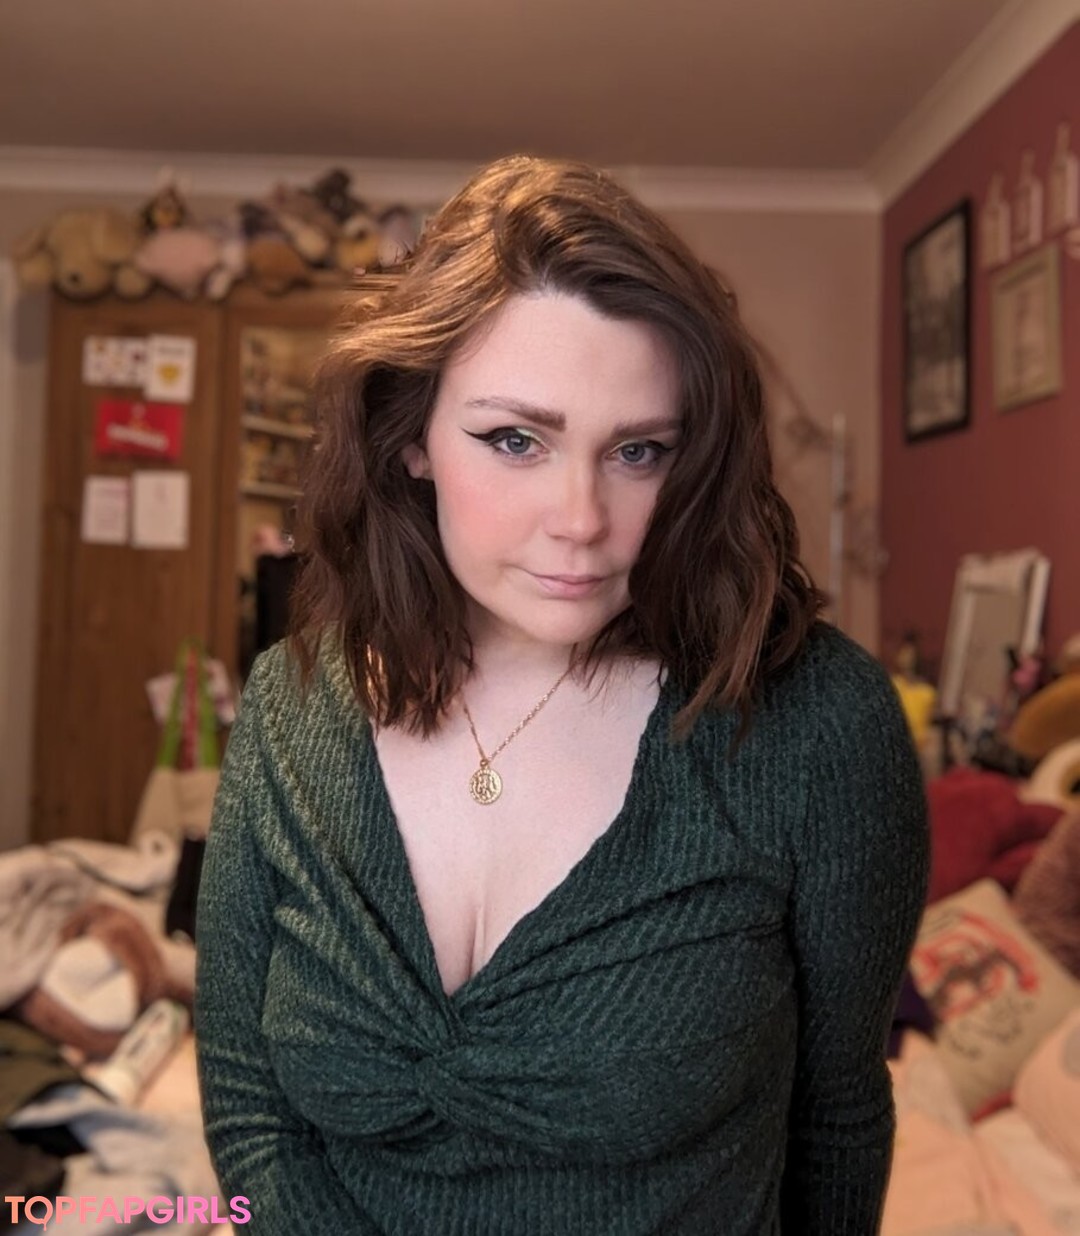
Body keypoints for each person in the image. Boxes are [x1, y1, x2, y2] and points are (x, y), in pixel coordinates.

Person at [195, 154, 929, 1235]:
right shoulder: (291, 705)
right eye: (515, 440)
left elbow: (837, 1118)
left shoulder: (817, 725)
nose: (582, 520)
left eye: (638, 451)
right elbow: (249, 1104)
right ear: (411, 439)